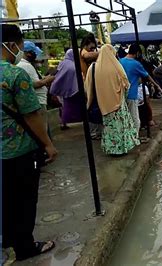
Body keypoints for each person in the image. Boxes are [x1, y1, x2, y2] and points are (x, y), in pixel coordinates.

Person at [1, 23, 58, 261]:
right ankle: (25, 246)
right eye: (21, 46)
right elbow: (31, 115)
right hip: (19, 150)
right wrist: (48, 144)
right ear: (12, 44)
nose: (21, 50)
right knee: (24, 198)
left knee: (5, 198)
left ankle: (7, 240)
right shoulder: (15, 74)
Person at [84, 44, 140, 155]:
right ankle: (122, 149)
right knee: (120, 127)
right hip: (118, 104)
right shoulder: (116, 67)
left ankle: (112, 150)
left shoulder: (93, 68)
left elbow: (87, 86)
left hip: (103, 104)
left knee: (109, 128)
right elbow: (126, 84)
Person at [120, 43, 161, 138]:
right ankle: (134, 138)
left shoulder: (120, 61)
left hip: (121, 94)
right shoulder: (136, 64)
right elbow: (147, 76)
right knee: (135, 119)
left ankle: (128, 137)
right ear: (138, 53)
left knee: (126, 118)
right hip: (132, 94)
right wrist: (156, 85)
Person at [17, 41, 55, 136]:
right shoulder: (25, 65)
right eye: (34, 52)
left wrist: (44, 79)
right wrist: (47, 80)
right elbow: (34, 84)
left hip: (38, 101)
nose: (35, 55)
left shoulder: (24, 64)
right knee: (42, 130)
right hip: (38, 102)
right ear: (28, 53)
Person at [50, 50, 84, 128]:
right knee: (68, 107)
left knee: (63, 106)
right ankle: (66, 122)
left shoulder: (63, 63)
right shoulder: (73, 65)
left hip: (60, 87)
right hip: (72, 89)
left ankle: (63, 123)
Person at [79, 34, 102, 138]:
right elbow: (87, 56)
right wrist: (103, 52)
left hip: (92, 82)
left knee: (94, 107)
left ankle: (96, 131)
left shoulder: (87, 52)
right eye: (91, 48)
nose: (93, 50)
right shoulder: (83, 52)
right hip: (87, 83)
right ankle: (93, 132)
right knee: (91, 107)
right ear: (86, 45)